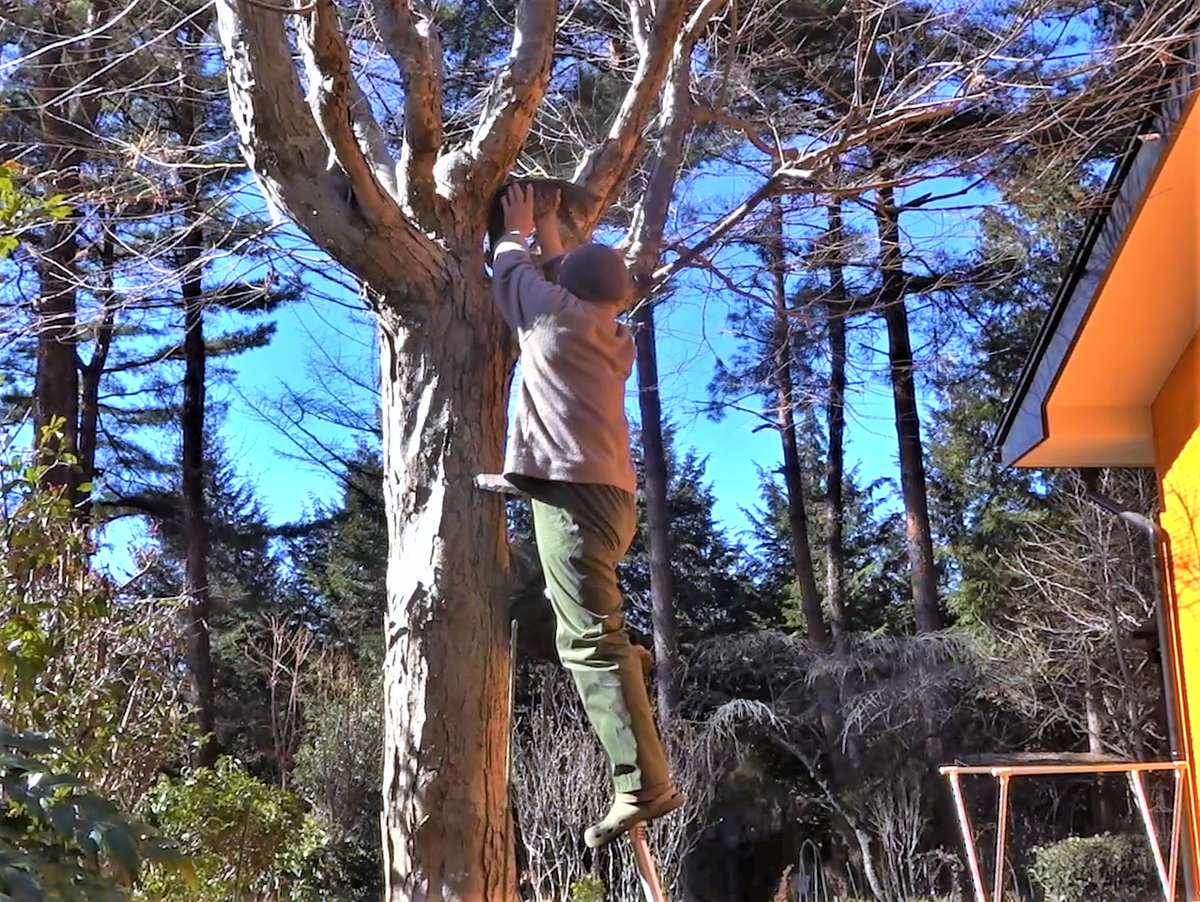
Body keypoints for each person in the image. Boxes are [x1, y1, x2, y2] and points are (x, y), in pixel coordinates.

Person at [491, 183, 684, 848]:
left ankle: (643, 784)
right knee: (536, 614)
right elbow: (564, 277)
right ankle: (625, 655)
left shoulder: (550, 318)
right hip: (607, 498)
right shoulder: (612, 333)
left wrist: (518, 226)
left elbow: (511, 270)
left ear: (566, 288)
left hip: (572, 501)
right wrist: (551, 228)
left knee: (588, 645)